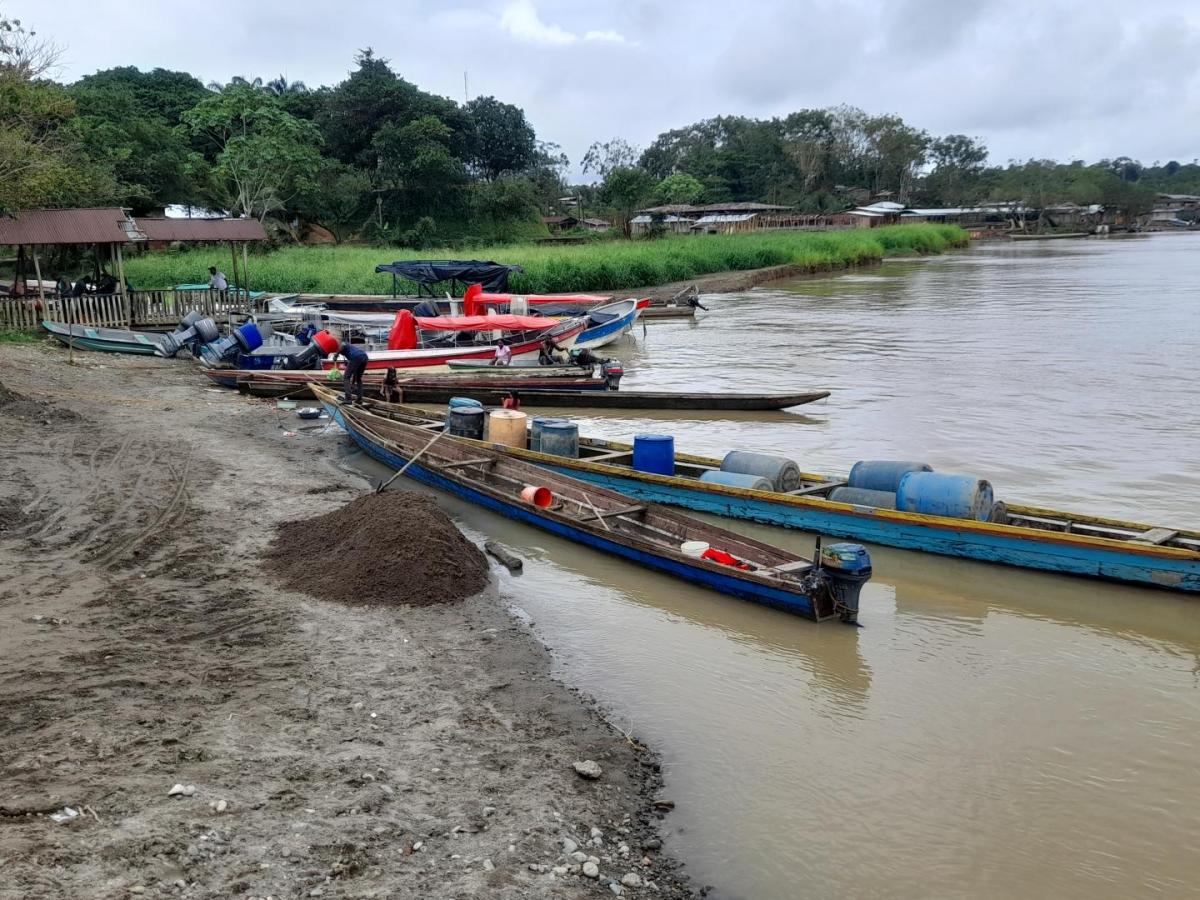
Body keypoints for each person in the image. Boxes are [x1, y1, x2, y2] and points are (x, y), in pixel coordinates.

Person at [336, 338, 370, 404]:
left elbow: (343, 346)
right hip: (364, 357)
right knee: (358, 379)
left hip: (356, 357)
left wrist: (336, 355)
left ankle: (348, 399)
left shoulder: (344, 344)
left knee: (346, 377)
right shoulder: (350, 349)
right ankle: (359, 399)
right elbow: (355, 373)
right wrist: (353, 383)